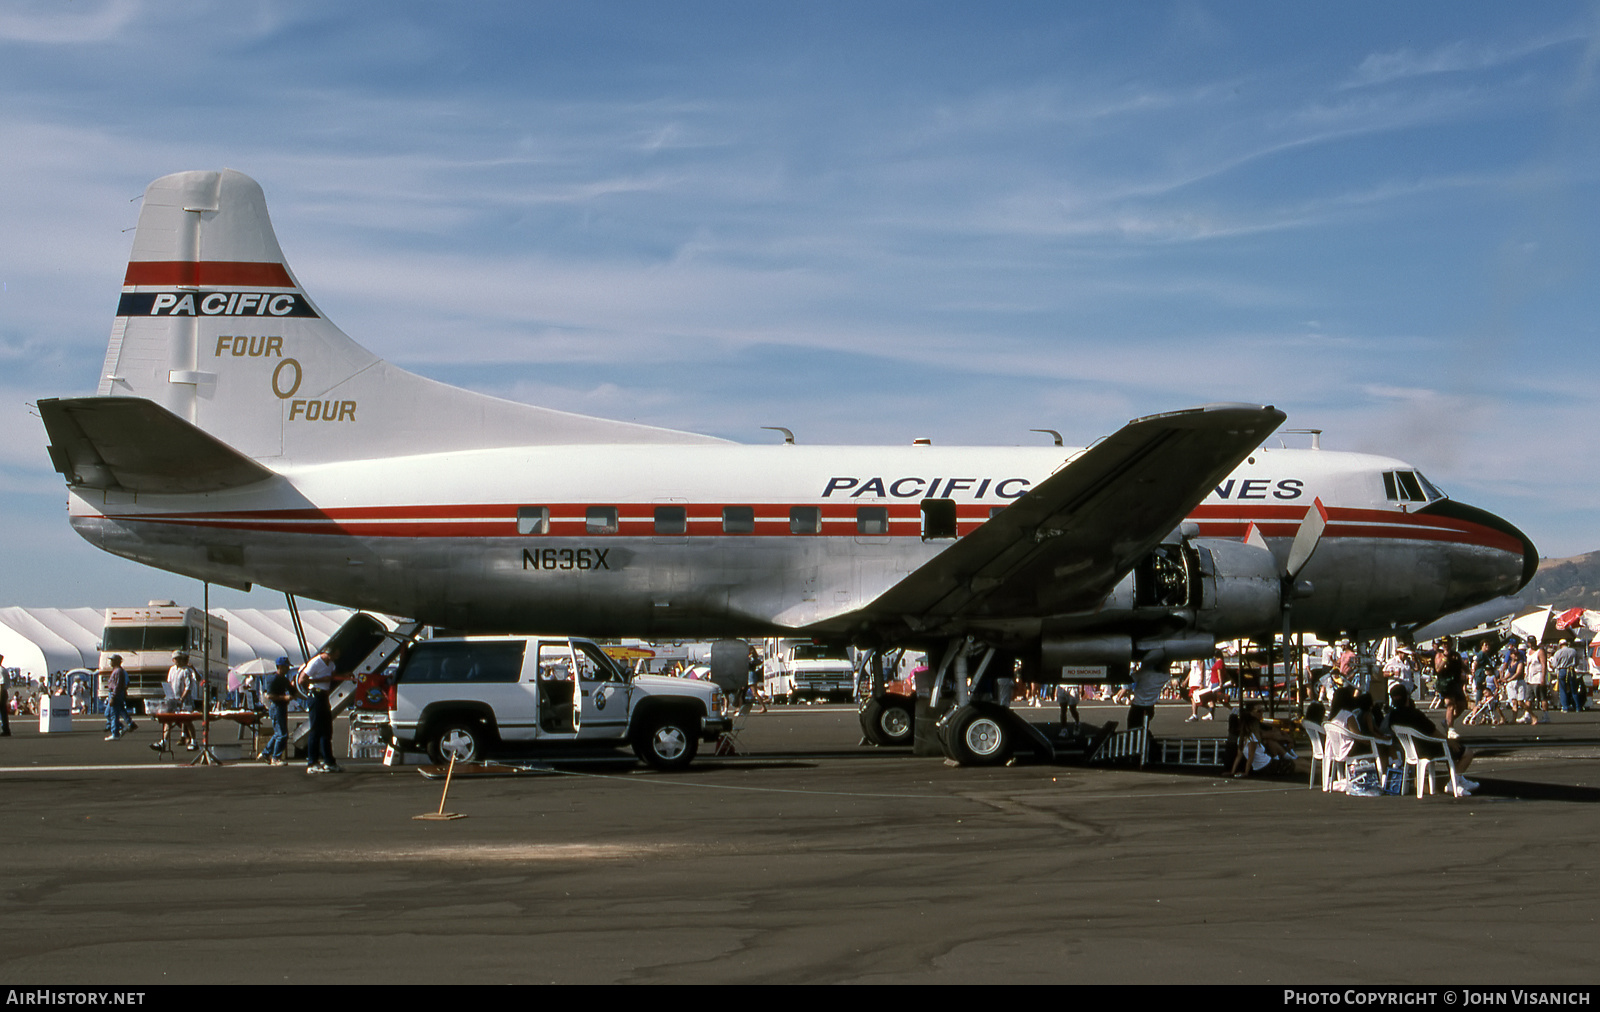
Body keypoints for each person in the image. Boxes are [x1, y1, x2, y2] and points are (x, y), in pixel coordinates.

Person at [1387, 684, 1477, 796]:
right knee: (1467, 752)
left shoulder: (1392, 716)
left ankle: (1459, 780)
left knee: (1453, 751)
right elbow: (1433, 731)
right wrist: (1448, 741)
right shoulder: (1415, 715)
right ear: (1406, 697)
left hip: (1411, 750)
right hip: (1428, 749)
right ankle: (1453, 782)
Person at [296, 646, 343, 773]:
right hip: (315, 694)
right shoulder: (315, 662)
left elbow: (332, 676)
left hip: (323, 695)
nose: (336, 658)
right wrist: (317, 683)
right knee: (316, 729)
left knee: (326, 729)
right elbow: (302, 679)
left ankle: (328, 761)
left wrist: (343, 676)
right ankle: (312, 762)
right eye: (335, 655)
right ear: (329, 653)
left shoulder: (331, 664)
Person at [151, 650, 199, 753]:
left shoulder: (186, 670)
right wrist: (168, 695)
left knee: (187, 721)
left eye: (179, 658)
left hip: (185, 701)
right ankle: (163, 742)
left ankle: (193, 742)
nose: (177, 660)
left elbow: (188, 686)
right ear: (173, 660)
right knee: (167, 720)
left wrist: (182, 698)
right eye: (175, 658)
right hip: (173, 699)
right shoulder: (172, 670)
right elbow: (169, 683)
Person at [259, 657, 295, 766]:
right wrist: (284, 698)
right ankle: (276, 757)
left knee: (278, 733)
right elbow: (269, 695)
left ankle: (265, 753)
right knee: (282, 734)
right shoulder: (273, 679)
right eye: (286, 667)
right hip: (276, 707)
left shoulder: (284, 679)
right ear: (280, 667)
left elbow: (293, 691)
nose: (288, 669)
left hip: (282, 707)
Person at [1432, 638, 1468, 738]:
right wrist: (1445, 658)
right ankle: (1451, 729)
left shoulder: (1456, 655)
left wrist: (1469, 671)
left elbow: (1463, 666)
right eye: (1444, 643)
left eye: (1447, 643)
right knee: (1450, 704)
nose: (1446, 645)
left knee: (1462, 705)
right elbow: (1438, 669)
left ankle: (1447, 722)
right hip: (1445, 684)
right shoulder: (1439, 655)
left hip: (1455, 683)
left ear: (1451, 643)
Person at [102, 654, 137, 740]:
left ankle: (115, 733)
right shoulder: (116, 671)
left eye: (112, 660)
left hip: (116, 694)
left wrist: (113, 697)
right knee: (109, 713)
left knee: (114, 713)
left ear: (117, 661)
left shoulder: (118, 671)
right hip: (115, 693)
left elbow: (117, 685)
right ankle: (122, 727)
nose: (111, 662)